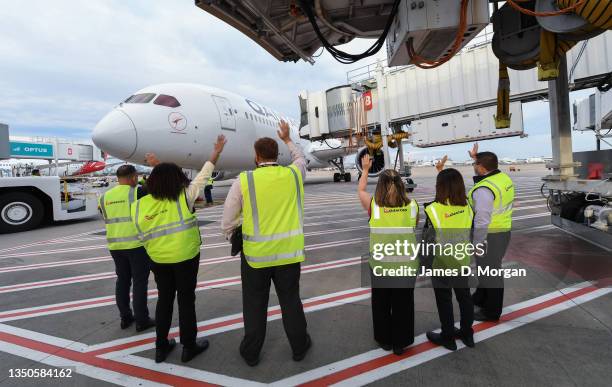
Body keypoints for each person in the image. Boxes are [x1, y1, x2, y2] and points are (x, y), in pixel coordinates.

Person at [221, 120, 311, 366]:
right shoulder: (293, 174)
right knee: (291, 302)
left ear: (256, 156)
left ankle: (251, 353)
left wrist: (233, 237)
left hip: (255, 258)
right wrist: (288, 139)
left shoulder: (244, 180)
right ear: (276, 154)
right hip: (288, 255)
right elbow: (301, 158)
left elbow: (227, 220)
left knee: (254, 307)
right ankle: (299, 347)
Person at [132, 134, 227, 364]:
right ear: (178, 180)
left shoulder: (139, 205)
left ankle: (161, 348)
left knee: (164, 300)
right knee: (186, 301)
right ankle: (188, 346)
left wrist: (156, 166)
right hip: (186, 257)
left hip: (158, 260)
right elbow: (204, 173)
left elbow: (140, 233)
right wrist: (216, 151)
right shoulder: (185, 196)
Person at [358, 154, 418, 355]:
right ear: (401, 185)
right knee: (404, 304)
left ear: (380, 186)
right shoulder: (413, 206)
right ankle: (400, 342)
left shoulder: (373, 206)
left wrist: (366, 169)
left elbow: (360, 189)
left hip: (381, 266)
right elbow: (414, 226)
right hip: (405, 266)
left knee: (381, 303)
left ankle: (384, 339)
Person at [422, 159, 475, 350]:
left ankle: (448, 338)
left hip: (441, 263)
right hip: (462, 261)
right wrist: (441, 171)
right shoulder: (468, 207)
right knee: (465, 298)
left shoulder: (433, 209)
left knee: (444, 301)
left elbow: (427, 239)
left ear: (439, 187)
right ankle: (468, 335)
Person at [99, 165, 155, 332]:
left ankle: (125, 318)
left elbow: (105, 218)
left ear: (117, 178)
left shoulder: (104, 196)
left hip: (115, 246)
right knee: (139, 282)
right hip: (136, 245)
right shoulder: (137, 192)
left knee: (122, 281)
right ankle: (142, 320)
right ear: (133, 177)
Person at [468, 143, 515, 321]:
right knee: (487, 270)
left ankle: (492, 311)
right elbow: (486, 172)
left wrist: (477, 243)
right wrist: (476, 158)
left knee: (491, 273)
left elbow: (482, 219)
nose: (474, 167)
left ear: (481, 167)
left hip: (489, 235)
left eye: (475, 164)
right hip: (503, 232)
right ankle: (480, 297)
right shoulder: (503, 178)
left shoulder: (484, 189)